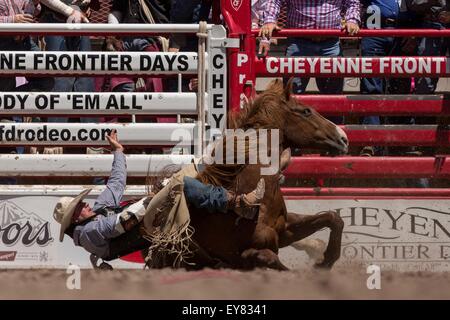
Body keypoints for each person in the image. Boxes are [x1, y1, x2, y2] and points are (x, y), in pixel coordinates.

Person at [53, 130, 265, 262]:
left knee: (185, 173)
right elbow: (122, 223)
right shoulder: (89, 231)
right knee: (177, 184)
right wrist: (151, 198)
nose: (84, 205)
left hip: (143, 221)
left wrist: (118, 152)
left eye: (80, 202)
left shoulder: (96, 213)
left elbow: (116, 184)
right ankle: (237, 202)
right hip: (144, 228)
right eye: (79, 206)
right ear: (73, 218)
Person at [258, 0, 361, 124]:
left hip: (330, 42)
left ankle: (335, 138)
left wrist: (352, 19)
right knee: (292, 95)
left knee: (333, 98)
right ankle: (293, 139)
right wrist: (269, 21)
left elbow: (352, 3)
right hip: (299, 41)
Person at [358, 0, 400, 157]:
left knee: (400, 86)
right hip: (374, 30)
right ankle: (371, 140)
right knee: (372, 86)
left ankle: (400, 142)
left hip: (404, 30)